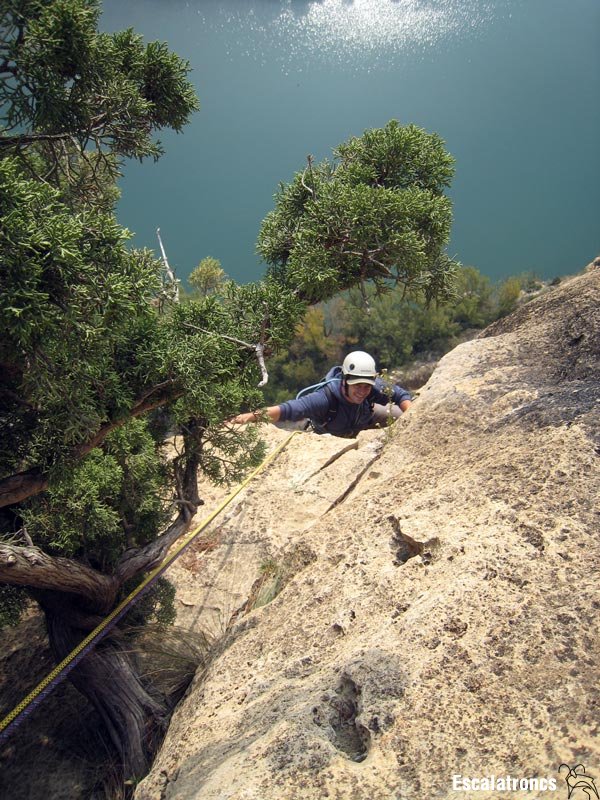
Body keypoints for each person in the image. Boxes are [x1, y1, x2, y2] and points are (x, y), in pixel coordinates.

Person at [230, 351, 412, 438]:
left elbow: (400, 395)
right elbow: (288, 410)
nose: (362, 391)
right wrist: (251, 417)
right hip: (332, 434)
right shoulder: (325, 399)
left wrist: (414, 417)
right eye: (357, 386)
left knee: (401, 415)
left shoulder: (371, 387)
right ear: (345, 380)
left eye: (367, 386)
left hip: (365, 418)